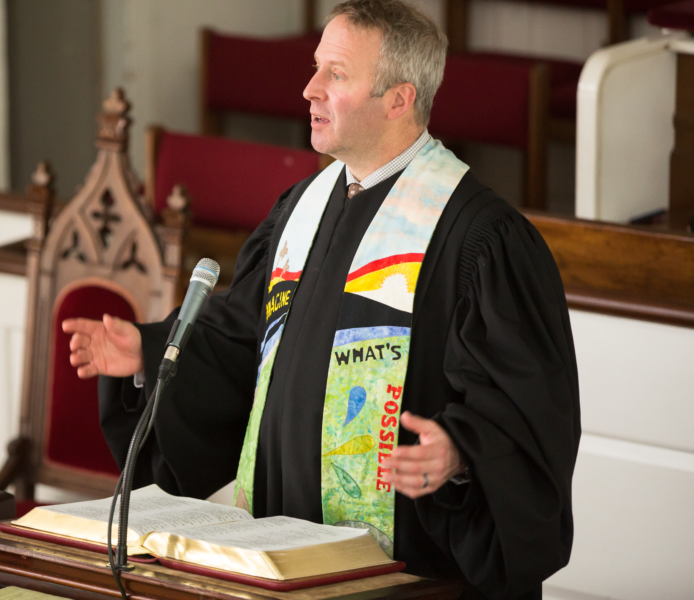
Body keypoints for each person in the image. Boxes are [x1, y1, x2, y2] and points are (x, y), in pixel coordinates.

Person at [62, 1, 580, 598]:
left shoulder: (479, 240)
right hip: (281, 558)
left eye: (335, 75)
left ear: (399, 99)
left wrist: (462, 454)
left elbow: (530, 409)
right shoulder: (300, 210)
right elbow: (240, 345)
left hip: (411, 573)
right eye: (315, 68)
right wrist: (155, 352)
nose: (309, 90)